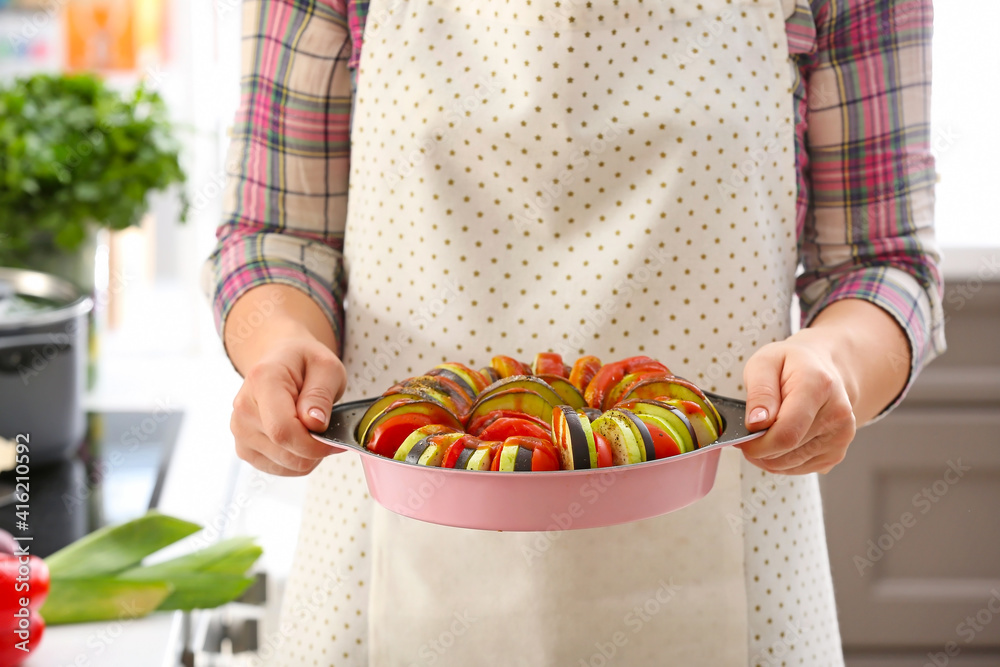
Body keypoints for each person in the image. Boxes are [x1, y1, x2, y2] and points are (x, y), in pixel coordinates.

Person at [205, 0, 944, 663]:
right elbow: (274, 235)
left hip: (739, 554)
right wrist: (277, 345)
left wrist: (835, 363)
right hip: (381, 560)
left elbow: (882, 263)